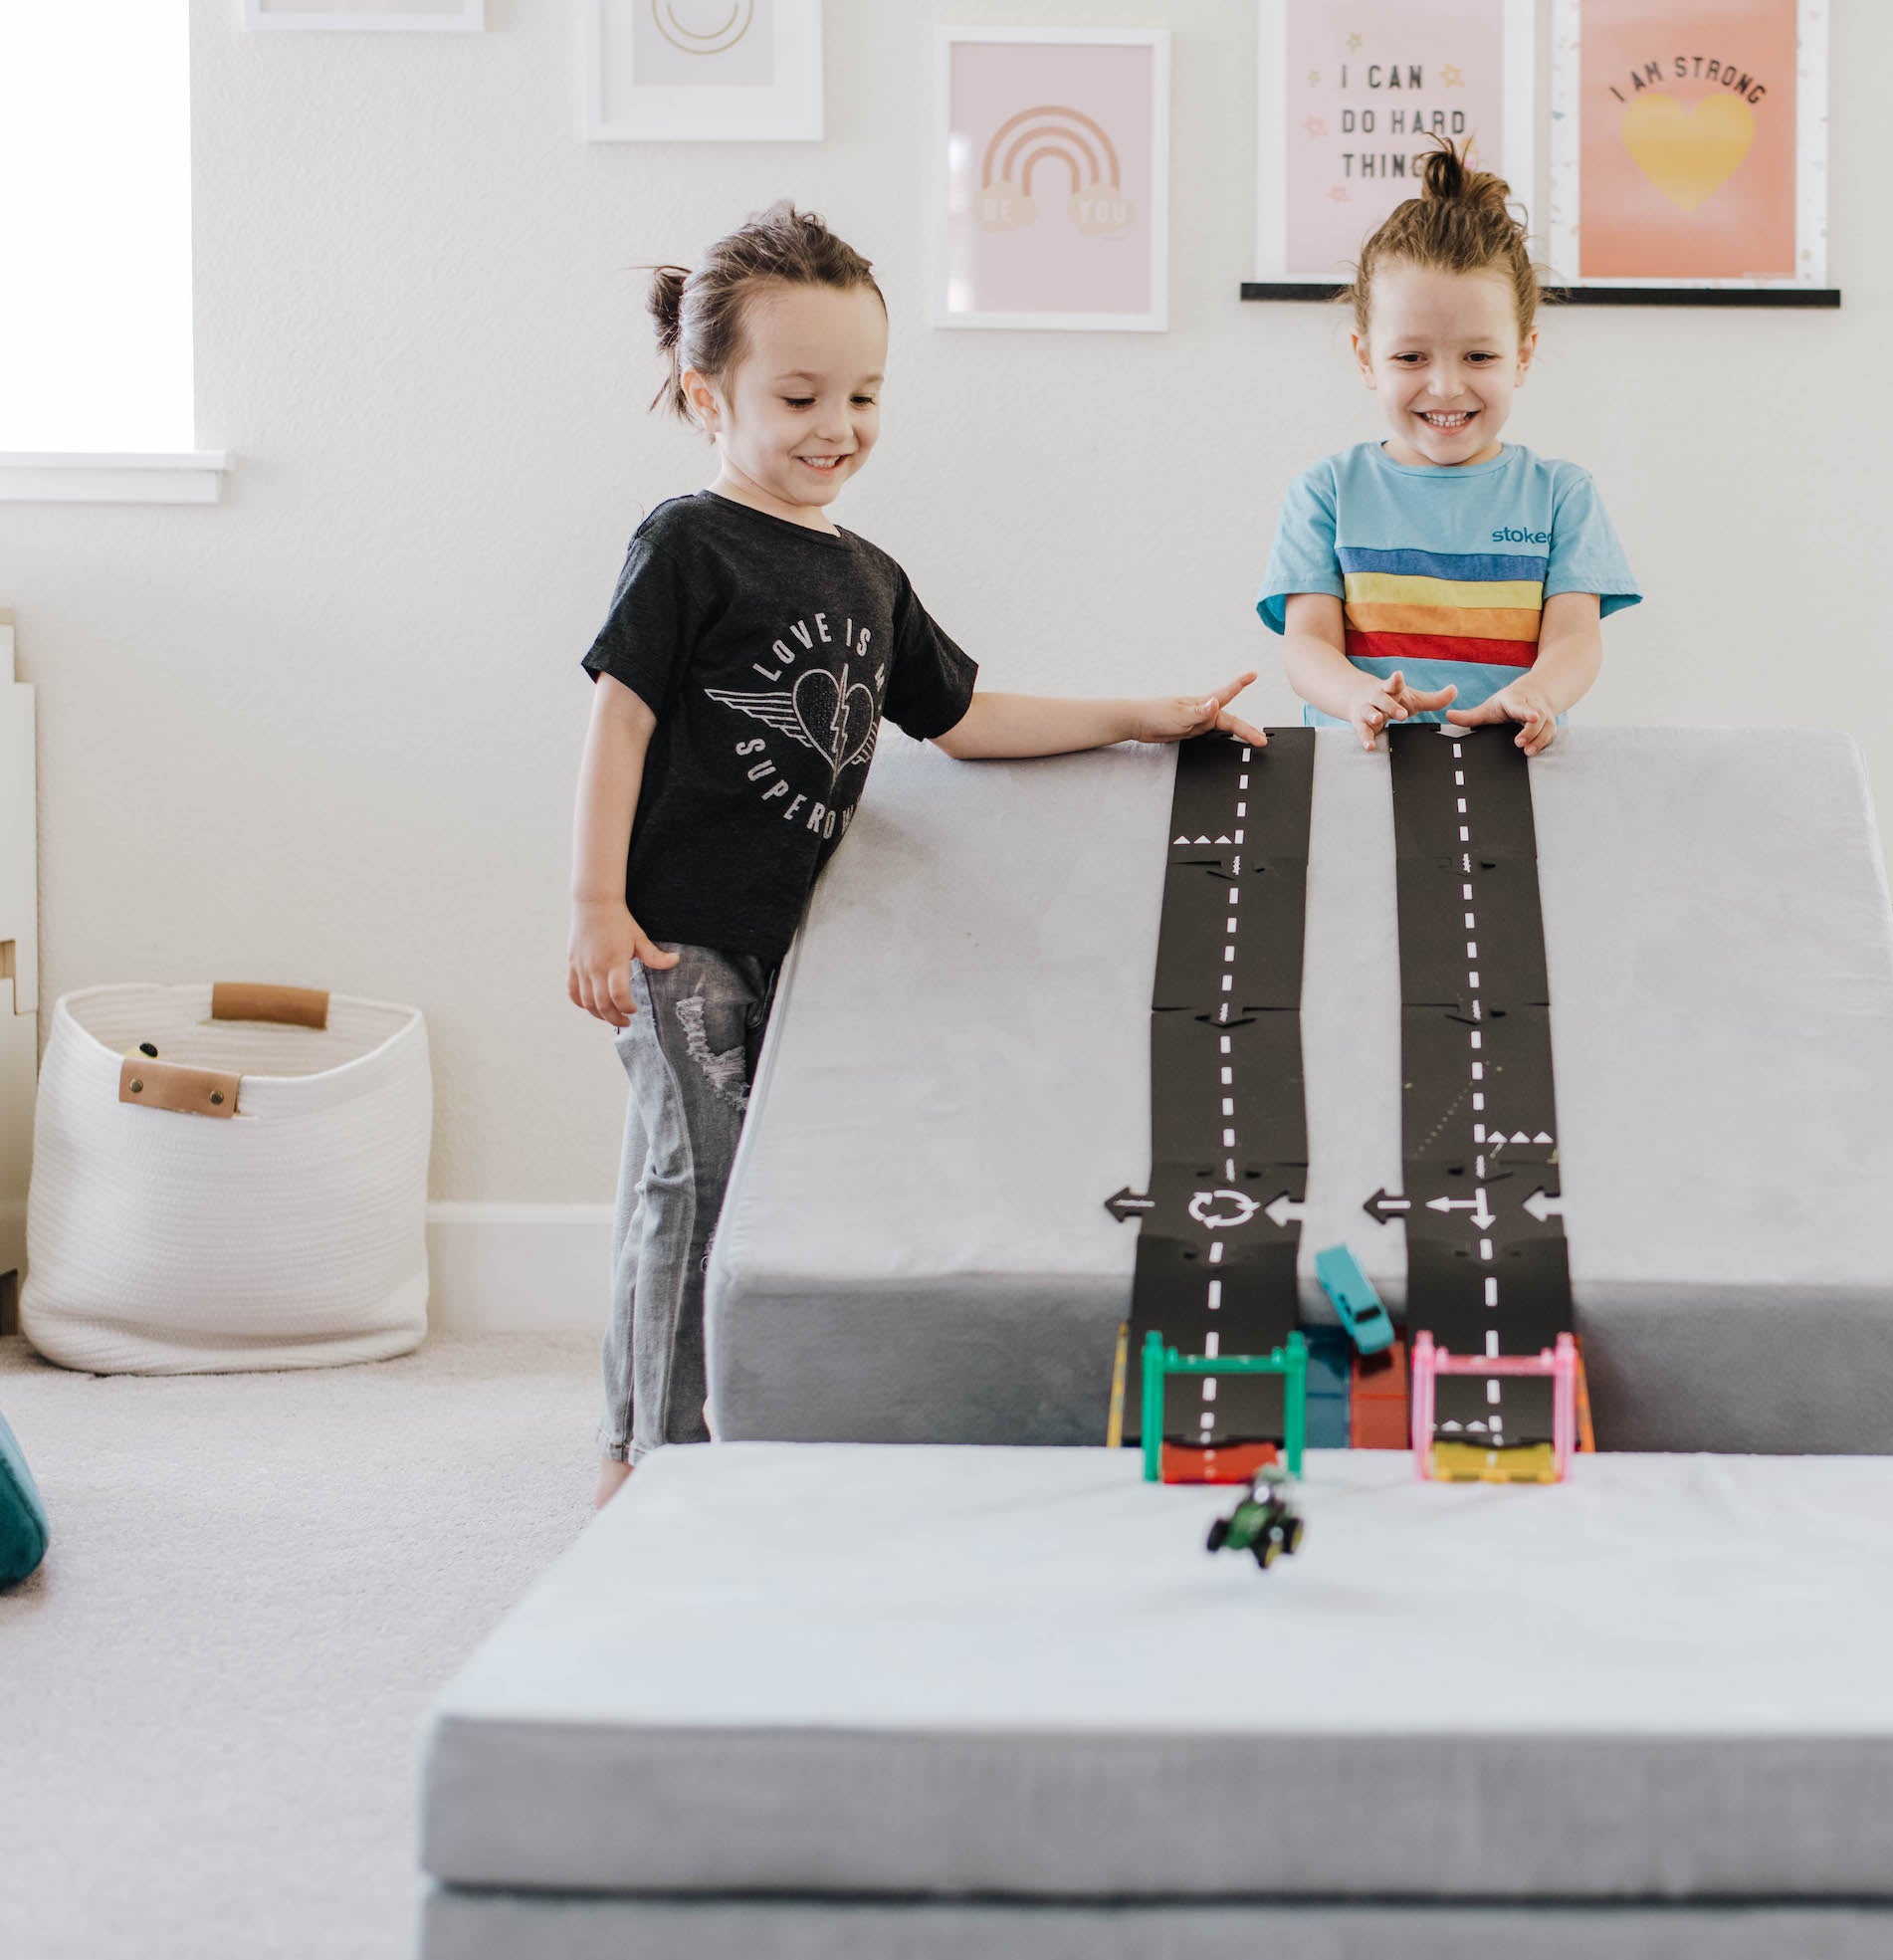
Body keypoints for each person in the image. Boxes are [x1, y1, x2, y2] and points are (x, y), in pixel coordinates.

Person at [570, 201, 1259, 1504]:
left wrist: (1141, 716)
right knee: (694, 1173)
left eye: (865, 396)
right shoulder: (689, 545)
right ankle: (647, 1457)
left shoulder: (867, 579)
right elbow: (620, 717)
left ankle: (703, 1419)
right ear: (705, 390)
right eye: (800, 396)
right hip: (677, 934)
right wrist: (596, 904)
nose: (838, 428)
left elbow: (961, 719)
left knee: (732, 1179)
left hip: (794, 954)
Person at [1257, 146, 1638, 756]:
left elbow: (1575, 641)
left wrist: (1536, 694)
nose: (1446, 387)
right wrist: (1359, 696)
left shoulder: (1562, 494)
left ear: (1523, 354)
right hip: (1358, 772)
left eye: (1479, 356)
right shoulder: (1326, 491)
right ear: (1364, 358)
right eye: (1410, 357)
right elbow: (1307, 646)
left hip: (1512, 778)